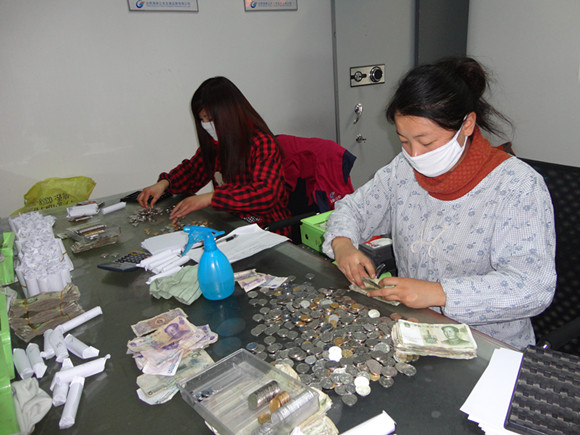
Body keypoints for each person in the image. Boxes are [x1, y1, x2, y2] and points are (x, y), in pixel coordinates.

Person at [322, 57, 556, 349]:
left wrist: (439, 293)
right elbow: (354, 208)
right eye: (404, 141)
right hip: (416, 329)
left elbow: (533, 287)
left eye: (427, 142)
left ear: (467, 124)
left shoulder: (517, 185)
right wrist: (343, 244)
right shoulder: (403, 169)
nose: (415, 155)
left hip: (488, 344)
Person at [137, 76, 291, 235]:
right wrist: (165, 183)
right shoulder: (217, 144)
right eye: (202, 119)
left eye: (210, 118)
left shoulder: (262, 143)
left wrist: (210, 198)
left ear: (229, 115)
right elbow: (192, 172)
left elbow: (266, 193)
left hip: (268, 227)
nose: (206, 125)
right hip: (233, 223)